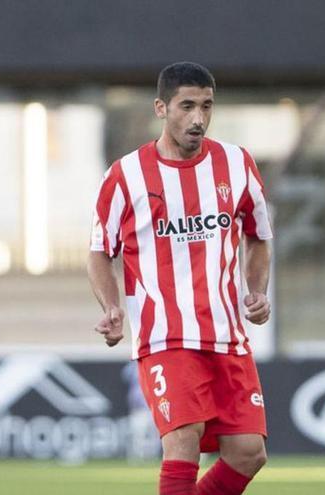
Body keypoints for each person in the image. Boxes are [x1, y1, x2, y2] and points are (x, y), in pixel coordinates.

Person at [88, 62, 272, 495]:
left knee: (249, 452)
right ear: (161, 108)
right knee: (183, 442)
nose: (198, 118)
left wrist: (257, 291)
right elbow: (100, 251)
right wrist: (111, 307)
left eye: (206, 106)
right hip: (165, 335)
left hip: (227, 334)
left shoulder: (236, 163)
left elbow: (258, 237)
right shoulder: (126, 175)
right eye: (186, 106)